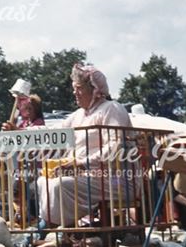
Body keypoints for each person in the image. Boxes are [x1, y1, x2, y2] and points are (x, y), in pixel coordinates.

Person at [37, 63, 133, 227]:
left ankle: (50, 229)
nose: (75, 93)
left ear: (95, 90)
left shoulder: (112, 108)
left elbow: (116, 146)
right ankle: (53, 226)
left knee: (60, 185)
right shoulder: (78, 115)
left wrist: (82, 163)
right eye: (74, 88)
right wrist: (19, 131)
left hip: (115, 178)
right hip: (88, 177)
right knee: (43, 181)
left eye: (79, 88)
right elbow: (52, 132)